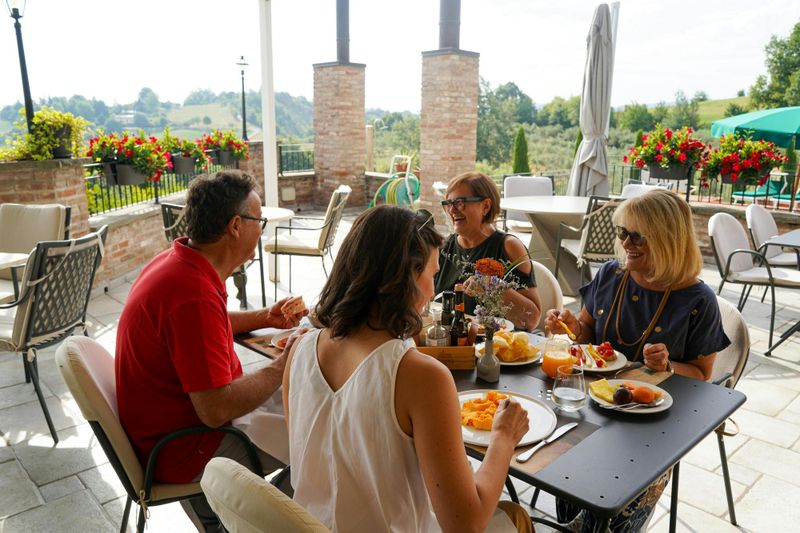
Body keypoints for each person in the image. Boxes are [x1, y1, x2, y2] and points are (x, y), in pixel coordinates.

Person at [283, 206, 534, 532]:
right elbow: (465, 524)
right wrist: (503, 436)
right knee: (515, 516)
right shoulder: (420, 375)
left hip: (311, 524)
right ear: (408, 278)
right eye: (431, 274)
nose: (431, 291)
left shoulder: (298, 351)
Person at [115, 170, 307, 532]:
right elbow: (216, 409)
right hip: (185, 448)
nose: (261, 229)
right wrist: (284, 364)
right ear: (236, 226)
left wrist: (263, 316)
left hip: (163, 428)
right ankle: (261, 523)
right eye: (259, 221)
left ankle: (218, 514)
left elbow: (204, 324)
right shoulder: (192, 296)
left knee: (297, 407)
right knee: (322, 438)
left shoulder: (178, 263)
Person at [545, 188, 730, 532]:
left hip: (653, 423)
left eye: (638, 236)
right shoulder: (610, 275)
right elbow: (586, 332)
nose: (626, 244)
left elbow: (703, 375)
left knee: (607, 513)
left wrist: (670, 366)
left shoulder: (697, 300)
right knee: (564, 475)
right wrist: (572, 327)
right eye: (623, 233)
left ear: (667, 240)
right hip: (594, 403)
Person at [434, 171, 542, 331]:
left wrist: (492, 287)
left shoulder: (508, 247)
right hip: (452, 343)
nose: (452, 210)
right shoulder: (444, 247)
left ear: (485, 206)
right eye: (448, 204)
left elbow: (531, 319)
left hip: (498, 346)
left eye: (459, 202)